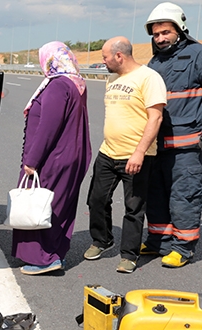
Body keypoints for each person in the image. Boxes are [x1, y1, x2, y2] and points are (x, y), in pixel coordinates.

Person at [83, 37, 166, 274]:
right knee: (96, 200)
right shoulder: (112, 79)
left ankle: (129, 255)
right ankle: (101, 240)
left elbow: (156, 117)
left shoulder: (149, 78)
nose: (103, 61)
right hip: (108, 152)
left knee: (133, 208)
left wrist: (139, 152)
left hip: (137, 155)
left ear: (119, 56)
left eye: (105, 57)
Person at [12, 41, 92, 275]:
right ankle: (56, 253)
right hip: (71, 155)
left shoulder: (58, 86)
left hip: (53, 158)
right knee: (60, 206)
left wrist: (32, 160)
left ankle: (43, 258)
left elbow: (48, 127)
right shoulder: (76, 83)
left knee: (40, 204)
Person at [142, 2, 202, 268]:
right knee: (156, 194)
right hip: (158, 143)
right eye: (156, 34)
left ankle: (183, 247)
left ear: (180, 28)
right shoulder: (155, 61)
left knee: (184, 195)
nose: (160, 38)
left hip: (187, 144)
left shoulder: (198, 54)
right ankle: (159, 241)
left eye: (165, 32)